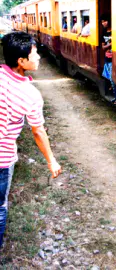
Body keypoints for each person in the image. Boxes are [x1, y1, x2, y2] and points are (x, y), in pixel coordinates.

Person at [0, 32, 62, 249]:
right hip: (2, 158)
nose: (38, 57)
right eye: (34, 53)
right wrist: (51, 160)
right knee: (0, 207)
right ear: (21, 61)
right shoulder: (30, 94)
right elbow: (37, 131)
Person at [101, 14, 116, 105]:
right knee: (111, 78)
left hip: (115, 58)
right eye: (102, 22)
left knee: (113, 78)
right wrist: (110, 44)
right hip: (108, 58)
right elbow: (103, 47)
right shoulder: (104, 33)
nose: (103, 23)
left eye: (104, 21)